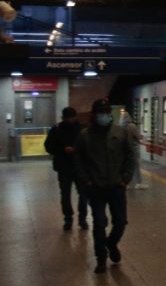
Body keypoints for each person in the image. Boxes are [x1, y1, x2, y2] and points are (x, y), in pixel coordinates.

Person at [75, 98, 135, 274]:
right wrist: (86, 180)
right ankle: (101, 258)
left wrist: (125, 179)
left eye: (106, 112)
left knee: (120, 221)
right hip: (96, 188)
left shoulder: (120, 133)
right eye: (100, 113)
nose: (104, 116)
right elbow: (78, 160)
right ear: (94, 115)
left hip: (117, 186)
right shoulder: (85, 136)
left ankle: (111, 243)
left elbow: (130, 156)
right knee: (99, 223)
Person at [44, 106, 89, 231]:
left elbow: (89, 147)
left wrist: (76, 150)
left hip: (79, 167)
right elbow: (48, 146)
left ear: (75, 117)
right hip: (64, 167)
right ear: (63, 118)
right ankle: (68, 218)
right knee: (65, 195)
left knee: (83, 194)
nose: (69, 120)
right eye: (67, 118)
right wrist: (62, 150)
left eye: (71, 118)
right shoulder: (56, 129)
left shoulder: (83, 129)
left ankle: (82, 218)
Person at [121, 110, 147, 189]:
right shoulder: (132, 126)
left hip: (124, 150)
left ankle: (126, 183)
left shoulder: (121, 127)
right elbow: (138, 137)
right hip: (133, 149)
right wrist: (142, 138)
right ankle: (138, 183)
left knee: (126, 166)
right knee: (136, 166)